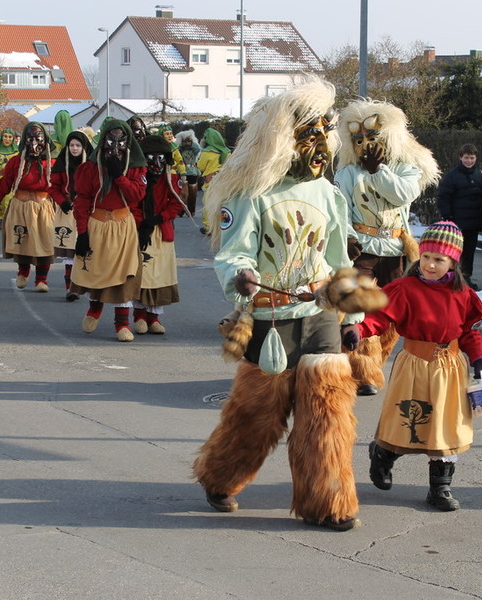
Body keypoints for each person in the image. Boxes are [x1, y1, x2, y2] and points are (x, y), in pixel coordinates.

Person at [193, 76, 366, 531]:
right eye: (309, 134)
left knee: (328, 415)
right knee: (257, 415)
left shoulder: (328, 194)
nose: (320, 144)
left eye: (324, 131)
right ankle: (220, 476)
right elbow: (233, 253)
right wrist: (241, 277)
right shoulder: (249, 195)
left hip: (320, 314)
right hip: (270, 318)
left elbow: (340, 261)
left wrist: (352, 317)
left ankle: (328, 501)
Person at [348, 221, 482, 511]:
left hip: (450, 368)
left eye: (438, 259)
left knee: (445, 427)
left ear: (453, 262)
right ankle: (383, 454)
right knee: (404, 421)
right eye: (425, 256)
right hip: (414, 364)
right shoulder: (405, 288)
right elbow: (379, 317)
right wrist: (358, 330)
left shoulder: (463, 294)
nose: (429, 264)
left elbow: (468, 332)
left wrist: (478, 356)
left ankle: (440, 488)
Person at [335, 98, 440, 397]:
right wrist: (347, 237)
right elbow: (340, 210)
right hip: (363, 250)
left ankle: (372, 365)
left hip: (395, 250)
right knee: (359, 311)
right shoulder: (347, 174)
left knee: (392, 316)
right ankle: (362, 371)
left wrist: (378, 171)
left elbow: (402, 194)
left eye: (372, 136)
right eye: (359, 139)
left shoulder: (407, 168)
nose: (366, 144)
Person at [69, 119, 147, 342]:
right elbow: (82, 201)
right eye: (110, 141)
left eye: (120, 141)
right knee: (97, 271)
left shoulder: (136, 167)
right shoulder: (89, 168)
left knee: (124, 274)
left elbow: (136, 195)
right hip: (97, 224)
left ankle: (121, 324)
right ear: (103, 141)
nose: (115, 146)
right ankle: (95, 308)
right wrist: (82, 233)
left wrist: (119, 176)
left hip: (123, 227)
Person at [0, 121, 57, 292]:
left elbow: (60, 186)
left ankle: (41, 279)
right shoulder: (16, 162)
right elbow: (5, 183)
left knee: (45, 242)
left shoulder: (52, 163)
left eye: (38, 139)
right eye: (30, 139)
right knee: (21, 240)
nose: (34, 143)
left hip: (43, 207)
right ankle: (23, 272)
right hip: (20, 207)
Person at [133, 135, 184, 334]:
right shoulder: (137, 178)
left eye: (160, 158)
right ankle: (139, 316)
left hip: (162, 232)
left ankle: (153, 318)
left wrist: (159, 218)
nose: (156, 163)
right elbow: (132, 202)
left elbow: (176, 203)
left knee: (160, 275)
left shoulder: (172, 179)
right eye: (151, 157)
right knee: (142, 273)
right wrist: (142, 222)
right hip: (140, 231)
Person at [49, 130, 94, 301]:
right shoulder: (61, 164)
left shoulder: (92, 165)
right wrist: (62, 201)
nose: (74, 148)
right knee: (69, 250)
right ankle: (71, 288)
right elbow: (53, 187)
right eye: (71, 145)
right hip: (67, 210)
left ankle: (87, 284)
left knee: (85, 248)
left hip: (87, 210)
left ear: (84, 147)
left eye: (78, 145)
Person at [436, 144, 482, 290]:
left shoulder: (479, 176)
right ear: (460, 157)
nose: (469, 161)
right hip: (457, 222)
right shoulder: (452, 176)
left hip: (474, 222)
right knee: (455, 252)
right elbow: (443, 197)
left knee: (469, 252)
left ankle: (466, 277)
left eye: (472, 158)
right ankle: (454, 277)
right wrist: (448, 216)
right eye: (466, 158)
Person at [196, 127, 230, 234]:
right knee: (223, 205)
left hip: (210, 182)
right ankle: (224, 226)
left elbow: (200, 166)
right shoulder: (227, 152)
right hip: (224, 182)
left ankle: (208, 227)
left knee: (208, 205)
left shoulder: (207, 152)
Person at [175, 129, 201, 217]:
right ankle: (181, 210)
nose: (186, 143)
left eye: (188, 141)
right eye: (184, 141)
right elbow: (175, 149)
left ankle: (191, 210)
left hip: (192, 172)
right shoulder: (180, 150)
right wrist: (180, 143)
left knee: (192, 193)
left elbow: (198, 149)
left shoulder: (194, 150)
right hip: (182, 172)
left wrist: (191, 139)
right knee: (182, 192)